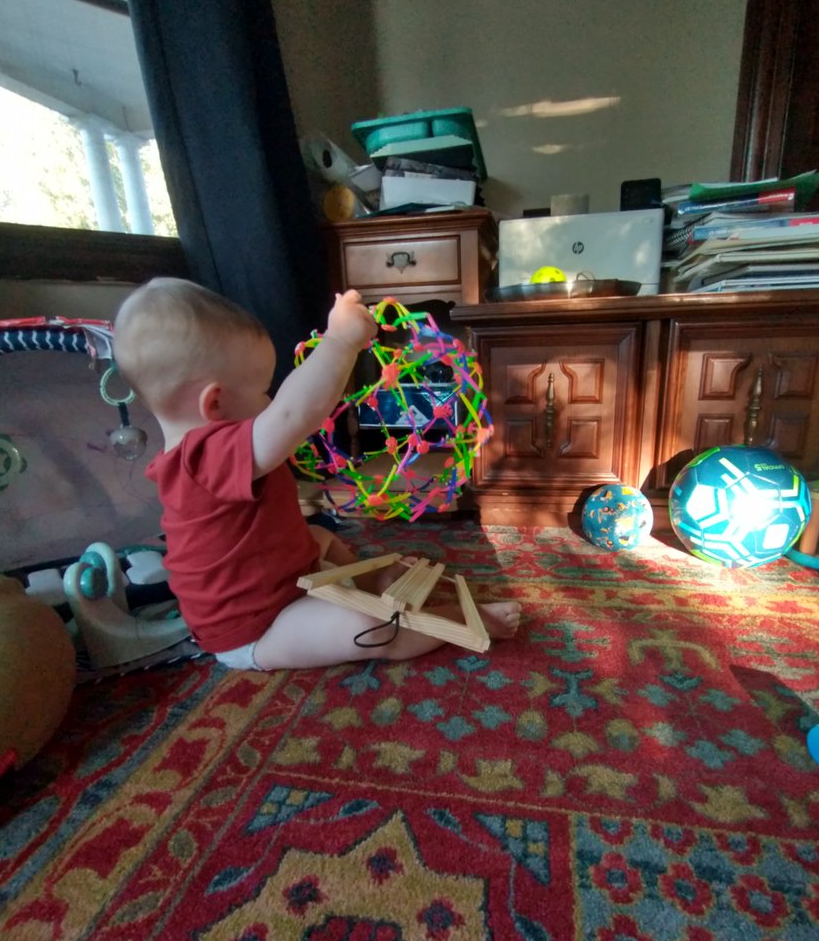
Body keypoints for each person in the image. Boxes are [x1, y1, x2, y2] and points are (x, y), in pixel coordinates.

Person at [112, 277, 521, 670]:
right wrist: (339, 342)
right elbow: (294, 413)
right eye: (261, 393)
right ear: (215, 404)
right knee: (369, 631)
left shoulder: (200, 453)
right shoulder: (204, 454)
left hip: (286, 578)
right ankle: (459, 622)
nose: (270, 400)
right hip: (257, 628)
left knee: (321, 537)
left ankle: (368, 583)